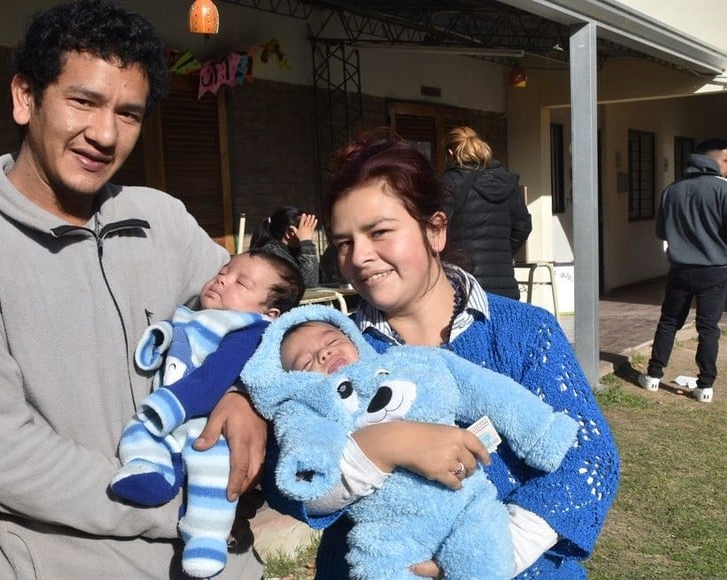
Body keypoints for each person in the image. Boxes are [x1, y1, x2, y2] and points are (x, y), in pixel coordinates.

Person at [0, 1, 267, 578]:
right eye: (83, 101)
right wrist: (189, 503)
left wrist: (244, 399)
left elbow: (258, 329)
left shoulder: (161, 220)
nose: (105, 134)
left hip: (225, 565)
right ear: (25, 97)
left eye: (129, 113)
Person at [259, 128, 620, 579]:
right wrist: (379, 448)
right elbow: (289, 480)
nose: (361, 256)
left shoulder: (525, 332)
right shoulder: (331, 349)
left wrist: (489, 557)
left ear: (435, 230)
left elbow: (589, 459)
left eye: (380, 231)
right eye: (345, 241)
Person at [111, 249, 303, 578]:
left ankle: (206, 539)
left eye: (241, 282)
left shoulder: (249, 331)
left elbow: (214, 377)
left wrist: (171, 404)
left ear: (269, 313)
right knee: (139, 435)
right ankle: (148, 470)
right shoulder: (194, 315)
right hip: (173, 417)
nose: (222, 279)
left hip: (210, 425)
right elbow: (179, 341)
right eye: (224, 271)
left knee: (214, 474)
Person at [637, 138, 727, 404]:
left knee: (669, 322)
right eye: (725, 160)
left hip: (680, 269)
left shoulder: (671, 190)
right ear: (710, 160)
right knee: (708, 327)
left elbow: (662, 231)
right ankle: (705, 386)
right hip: (716, 269)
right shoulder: (723, 190)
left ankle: (653, 376)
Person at [443, 126, 532, 299]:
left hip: (463, 286)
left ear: (450, 153)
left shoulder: (450, 184)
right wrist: (501, 254)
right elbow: (523, 226)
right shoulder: (506, 181)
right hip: (505, 286)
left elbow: (435, 229)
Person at [249, 205, 321, 287]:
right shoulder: (272, 255)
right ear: (290, 233)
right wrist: (306, 243)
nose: (309, 234)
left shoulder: (290, 252)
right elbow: (310, 284)